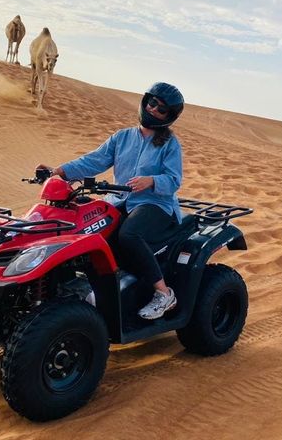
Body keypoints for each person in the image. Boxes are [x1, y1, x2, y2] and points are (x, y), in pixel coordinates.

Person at [38, 82, 185, 320]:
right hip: (119, 200)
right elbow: (93, 161)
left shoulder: (169, 144)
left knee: (129, 235)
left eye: (162, 109)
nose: (154, 110)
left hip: (155, 204)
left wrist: (151, 181)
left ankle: (164, 292)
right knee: (86, 229)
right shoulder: (122, 137)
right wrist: (59, 171)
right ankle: (99, 288)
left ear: (169, 116)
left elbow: (174, 180)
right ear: (145, 101)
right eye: (153, 103)